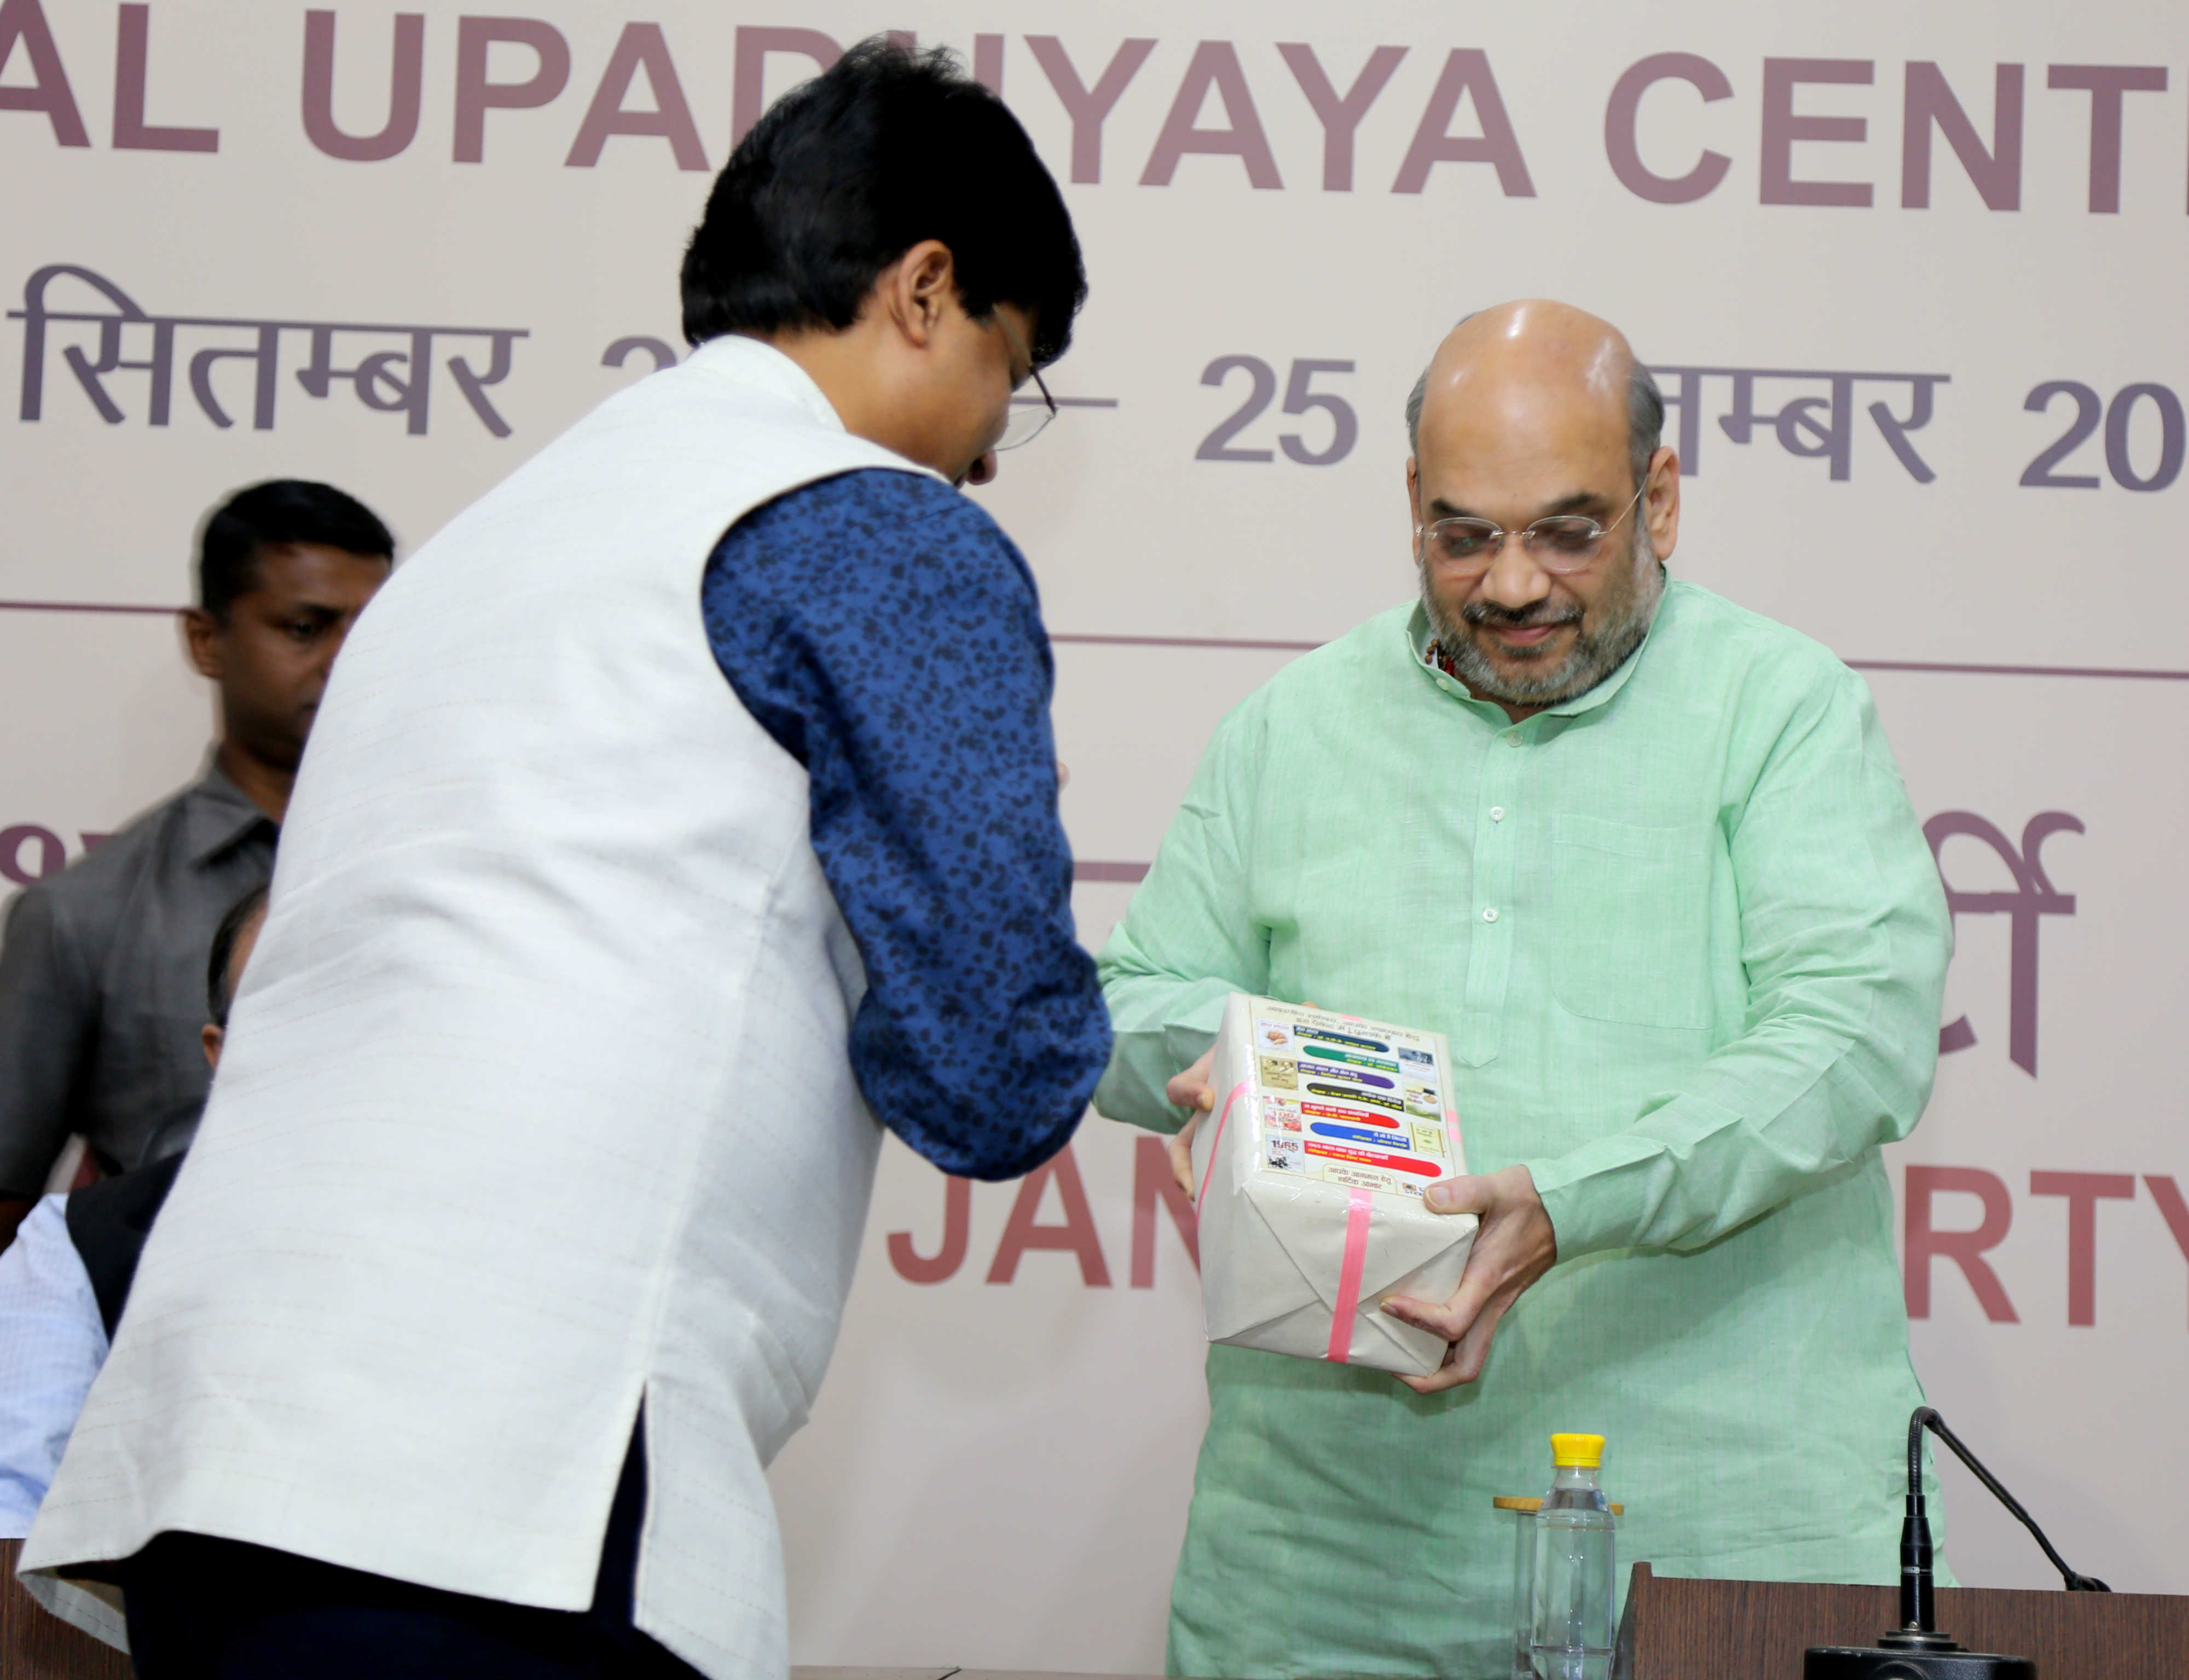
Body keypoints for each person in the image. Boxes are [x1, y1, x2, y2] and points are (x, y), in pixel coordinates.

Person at [26, 40, 1110, 1680]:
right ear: (924, 288)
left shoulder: (478, 554)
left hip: (212, 1482)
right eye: (1008, 376)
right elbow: (993, 1070)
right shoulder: (873, 524)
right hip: (494, 1501)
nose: (978, 450)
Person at [1096, 300, 1951, 1677]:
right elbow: (1132, 1006)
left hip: (1720, 1549)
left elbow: (1851, 1041)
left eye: (1568, 530)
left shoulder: (1780, 709)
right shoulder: (1290, 727)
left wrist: (1567, 1203)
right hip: (1330, 1560)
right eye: (1462, 534)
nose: (1510, 586)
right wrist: (1241, 1058)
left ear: (1660, 501)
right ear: (1409, 511)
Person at [0, 481, 392, 1243]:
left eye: (372, 628)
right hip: (166, 1344)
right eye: (306, 627)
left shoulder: (460, 868)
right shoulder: (83, 915)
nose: (348, 660)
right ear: (205, 641)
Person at [0, 884, 266, 1534]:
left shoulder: (529, 1237)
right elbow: (12, 1511)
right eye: (289, 1011)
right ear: (219, 1054)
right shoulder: (78, 1247)